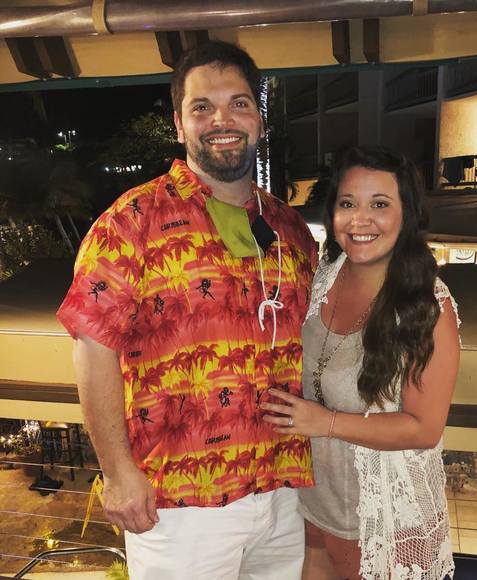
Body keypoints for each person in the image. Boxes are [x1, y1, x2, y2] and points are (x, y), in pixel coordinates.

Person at [57, 41, 318, 580]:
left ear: (259, 119)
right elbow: (92, 346)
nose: (222, 120)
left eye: (238, 103)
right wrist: (117, 472)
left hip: (283, 489)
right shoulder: (132, 220)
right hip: (181, 505)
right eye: (203, 107)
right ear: (179, 124)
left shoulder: (289, 227)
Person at [261, 146, 461, 579]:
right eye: (348, 203)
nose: (360, 220)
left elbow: (424, 429)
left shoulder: (426, 307)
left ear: (407, 214)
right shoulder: (324, 275)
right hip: (314, 501)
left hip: (379, 518)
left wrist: (324, 423)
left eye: (380, 205)